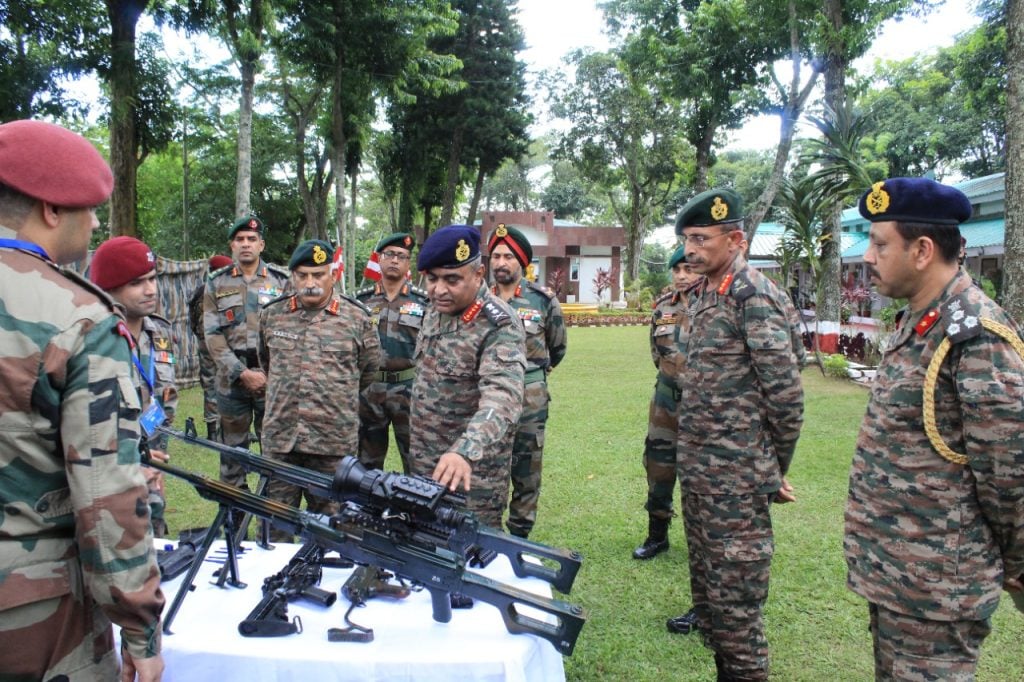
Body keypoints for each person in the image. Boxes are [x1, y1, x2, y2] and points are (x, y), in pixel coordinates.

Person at [0, 119, 164, 680]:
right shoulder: (78, 317)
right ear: (50, 209)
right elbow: (107, 495)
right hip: (34, 613)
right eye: (89, 209)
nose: (95, 223)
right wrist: (141, 629)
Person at [844, 177, 1024, 680]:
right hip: (903, 577)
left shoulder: (976, 335)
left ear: (922, 250)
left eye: (880, 244)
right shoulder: (922, 320)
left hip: (940, 587)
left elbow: (1010, 473)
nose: (868, 257)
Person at [670, 188, 805, 681]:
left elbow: (787, 396)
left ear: (736, 239)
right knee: (711, 602)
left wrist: (771, 467)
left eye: (701, 239)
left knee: (737, 616)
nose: (690, 250)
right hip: (702, 473)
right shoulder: (709, 290)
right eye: (687, 238)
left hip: (737, 480)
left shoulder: (754, 295)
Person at [259, 240, 380, 538]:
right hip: (282, 443)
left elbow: (369, 370)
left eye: (318, 275)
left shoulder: (357, 318)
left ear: (333, 275)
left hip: (332, 446)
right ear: (292, 277)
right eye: (302, 275)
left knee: (334, 533)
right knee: (276, 529)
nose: (310, 283)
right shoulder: (272, 315)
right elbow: (266, 363)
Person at [409, 224, 526, 528]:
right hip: (426, 466)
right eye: (431, 279)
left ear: (478, 274)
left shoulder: (498, 324)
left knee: (471, 560)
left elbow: (503, 398)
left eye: (452, 279)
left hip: (472, 476)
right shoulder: (435, 311)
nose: (438, 289)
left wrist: (465, 451)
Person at [90, 236, 179, 538]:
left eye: (153, 279)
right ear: (110, 288)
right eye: (137, 283)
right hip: (111, 473)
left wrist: (156, 461)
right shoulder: (94, 339)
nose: (151, 289)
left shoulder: (161, 331)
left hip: (154, 464)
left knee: (157, 549)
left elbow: (165, 397)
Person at [487, 224, 566, 539]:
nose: (501, 263)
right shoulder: (478, 300)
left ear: (522, 262)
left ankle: (519, 536)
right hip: (487, 395)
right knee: (487, 467)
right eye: (496, 256)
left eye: (508, 256)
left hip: (529, 397)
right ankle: (487, 532)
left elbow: (557, 349)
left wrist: (531, 374)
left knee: (527, 468)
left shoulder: (542, 300)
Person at [202, 215, 289, 488]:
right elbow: (212, 335)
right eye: (240, 239)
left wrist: (267, 373)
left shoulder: (283, 282)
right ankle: (233, 522)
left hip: (272, 380)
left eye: (252, 239)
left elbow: (292, 333)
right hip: (231, 382)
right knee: (232, 456)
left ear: (262, 245)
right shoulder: (216, 283)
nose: (246, 244)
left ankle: (271, 525)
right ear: (232, 246)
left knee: (275, 456)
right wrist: (241, 373)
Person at [355, 232, 429, 473]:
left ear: (408, 263)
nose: (395, 260)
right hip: (369, 390)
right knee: (367, 462)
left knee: (415, 460)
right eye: (389, 255)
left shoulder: (423, 302)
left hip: (409, 389)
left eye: (401, 256)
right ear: (380, 259)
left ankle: (413, 509)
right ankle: (365, 510)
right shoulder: (361, 302)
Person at [188, 253, 233, 442]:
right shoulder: (228, 291)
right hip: (223, 345)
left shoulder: (199, 291)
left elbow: (191, 319)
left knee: (210, 385)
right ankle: (227, 429)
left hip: (205, 344)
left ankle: (213, 431)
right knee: (229, 384)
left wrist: (200, 336)